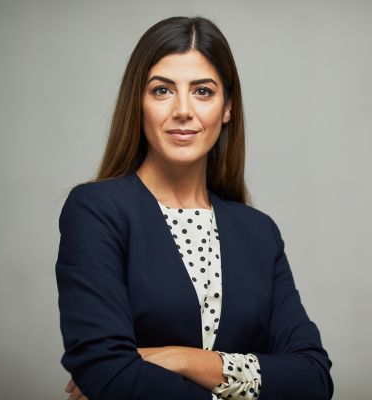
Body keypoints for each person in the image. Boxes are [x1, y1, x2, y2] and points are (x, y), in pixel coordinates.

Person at [55, 16, 334, 400]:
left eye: (203, 91)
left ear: (227, 108)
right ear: (138, 103)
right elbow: (107, 371)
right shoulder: (96, 212)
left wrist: (184, 359)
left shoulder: (259, 232)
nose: (183, 110)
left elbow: (313, 378)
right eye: (162, 90)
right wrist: (247, 383)